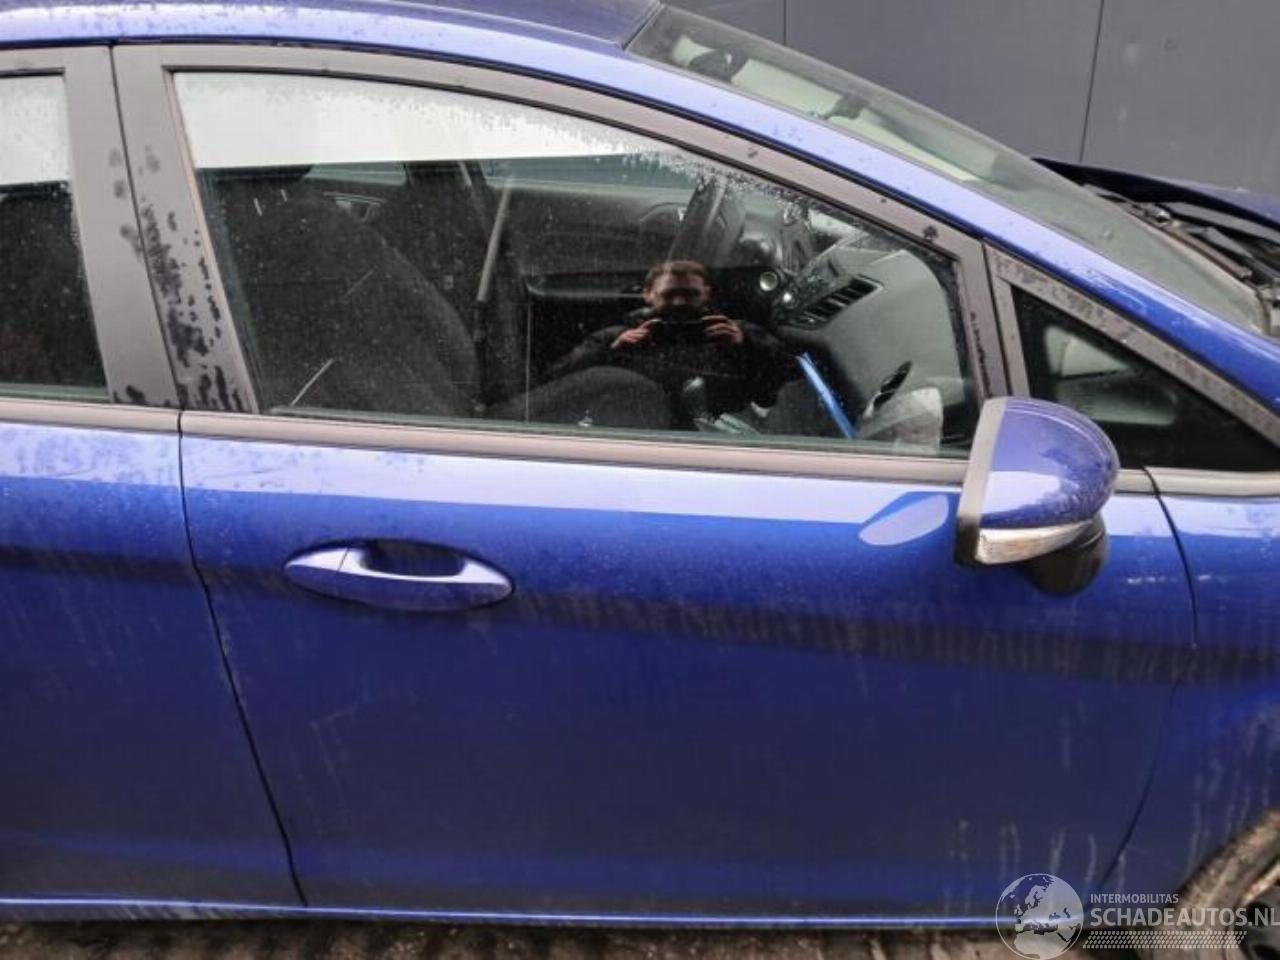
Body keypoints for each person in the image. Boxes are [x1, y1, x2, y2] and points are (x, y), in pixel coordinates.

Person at [545, 259, 791, 425]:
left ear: (706, 294)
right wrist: (610, 355)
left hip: (724, 443)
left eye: (690, 294)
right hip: (637, 437)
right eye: (669, 294)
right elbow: (556, 384)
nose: (679, 302)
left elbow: (787, 385)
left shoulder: (739, 333)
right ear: (648, 294)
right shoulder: (615, 338)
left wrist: (747, 346)